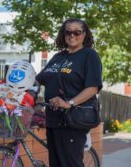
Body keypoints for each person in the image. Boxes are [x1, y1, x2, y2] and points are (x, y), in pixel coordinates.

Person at [36, 18, 103, 167]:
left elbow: (93, 88)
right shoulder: (57, 57)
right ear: (63, 34)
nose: (72, 35)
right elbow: (39, 80)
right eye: (68, 32)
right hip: (53, 119)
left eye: (77, 32)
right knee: (56, 163)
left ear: (84, 35)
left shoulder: (89, 55)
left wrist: (69, 103)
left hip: (72, 120)